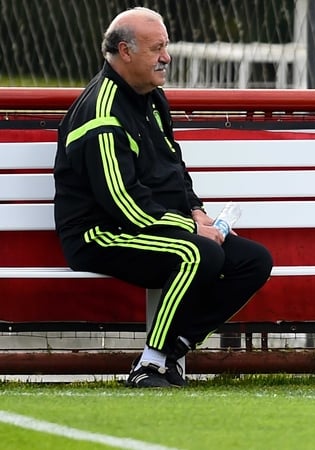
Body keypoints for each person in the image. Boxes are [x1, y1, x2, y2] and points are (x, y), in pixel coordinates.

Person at [53, 7, 273, 388]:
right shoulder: (101, 113)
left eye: (165, 47)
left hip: (150, 223)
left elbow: (174, 168)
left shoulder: (153, 98)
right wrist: (191, 229)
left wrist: (197, 212)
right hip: (100, 233)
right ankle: (149, 367)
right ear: (125, 51)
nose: (166, 57)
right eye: (157, 48)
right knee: (197, 253)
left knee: (254, 260)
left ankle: (174, 350)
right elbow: (122, 204)